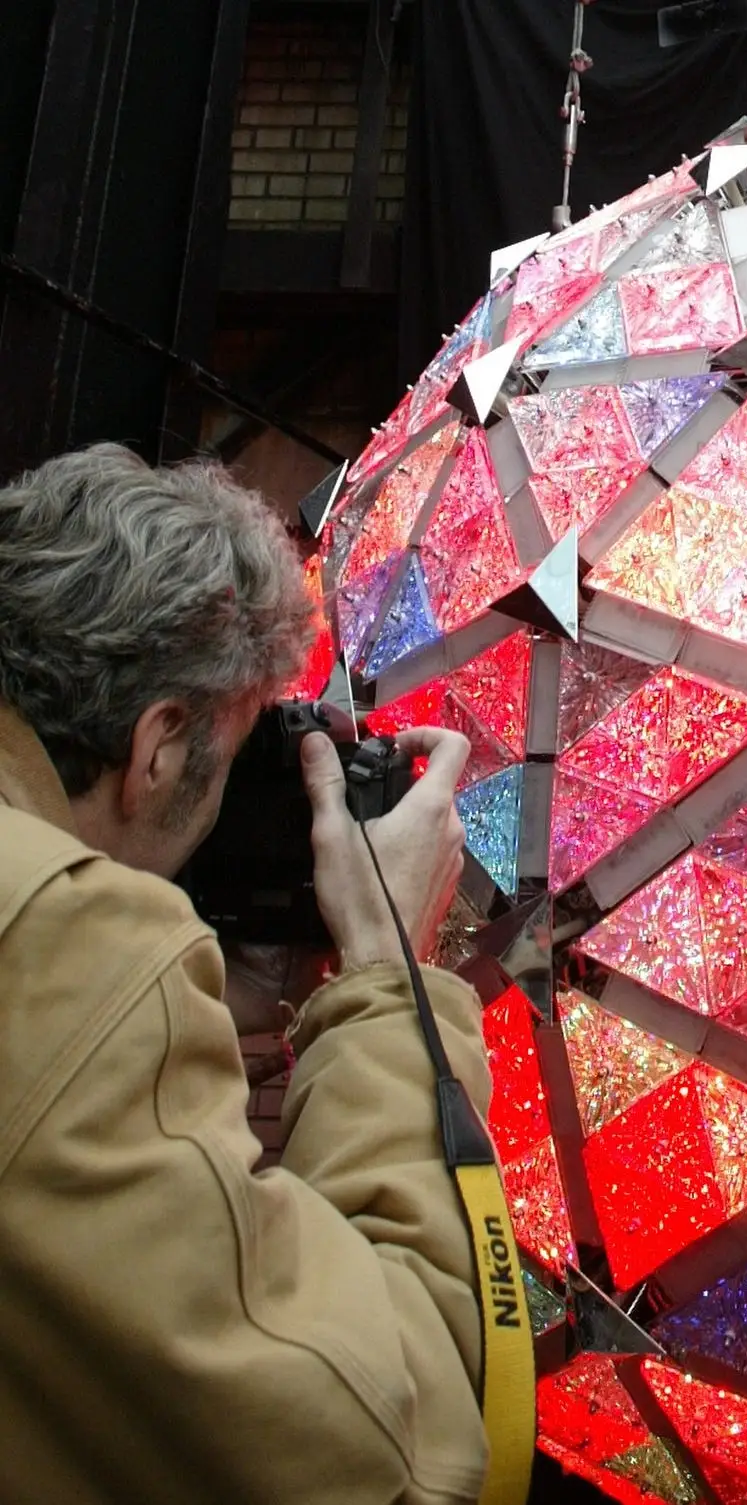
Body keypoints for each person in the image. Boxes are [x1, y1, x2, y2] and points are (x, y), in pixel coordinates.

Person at [0, 445, 492, 1502]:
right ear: (160, 747)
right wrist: (381, 968)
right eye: (231, 759)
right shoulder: (62, 942)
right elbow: (390, 1440)